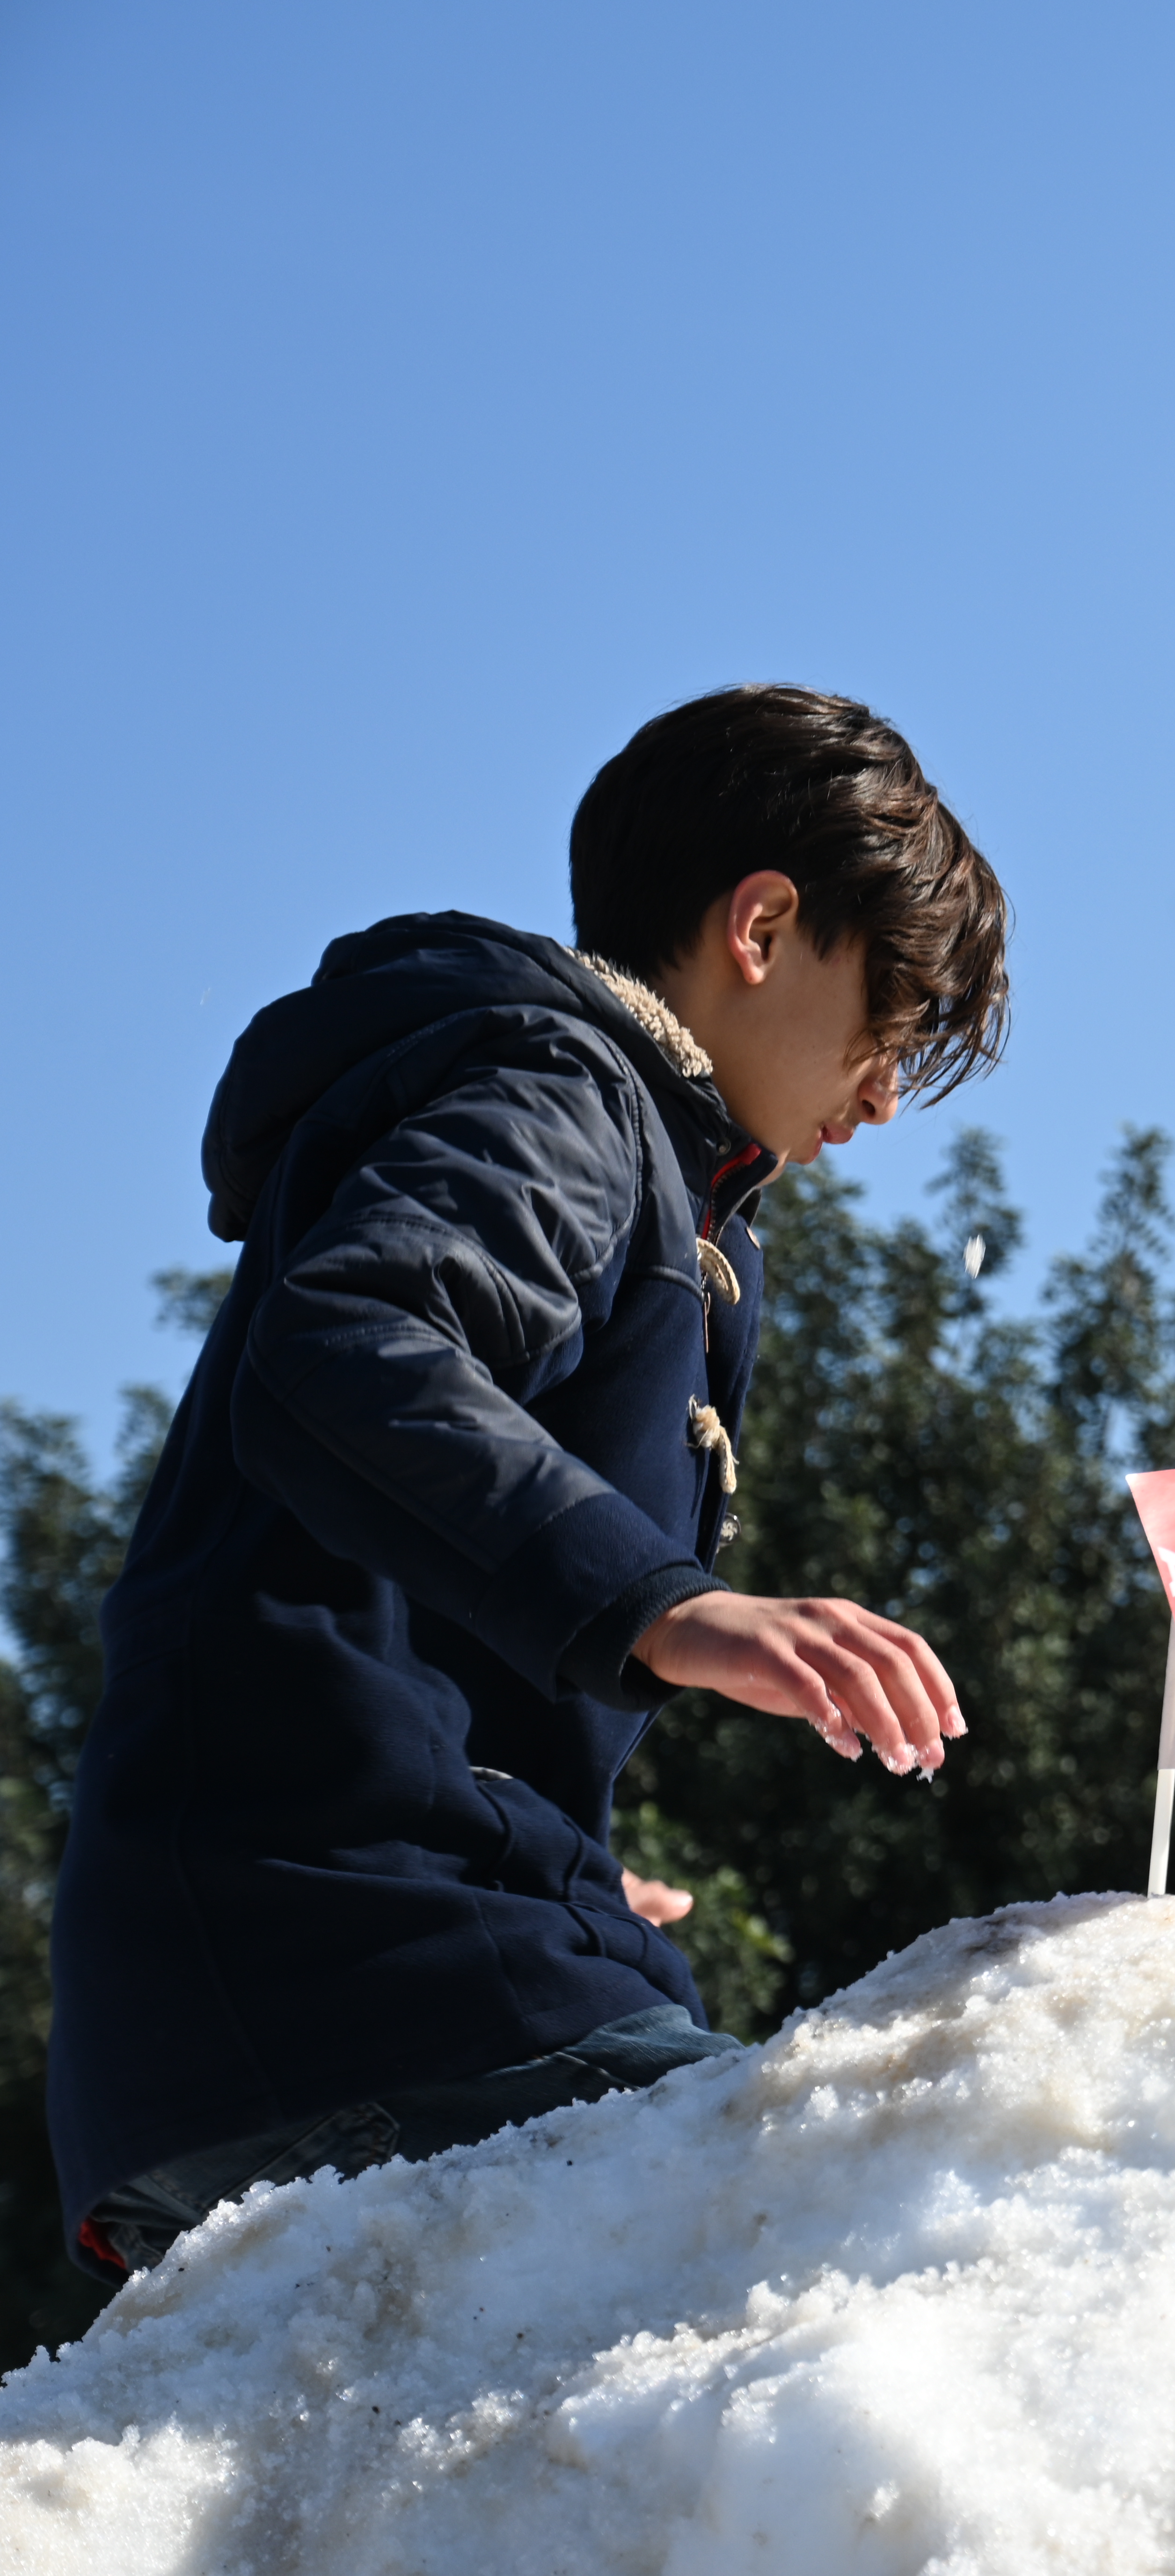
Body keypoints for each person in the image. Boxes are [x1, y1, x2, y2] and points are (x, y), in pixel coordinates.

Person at [52, 685, 1007, 2282]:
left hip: (297, 1977)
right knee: (891, 2238)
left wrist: (544, 1841)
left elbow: (391, 1582)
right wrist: (670, 1605)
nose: (886, 1092)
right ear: (763, 925)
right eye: (892, 1014)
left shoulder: (656, 1176)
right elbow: (348, 1347)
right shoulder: (569, 1096)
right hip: (357, 1973)